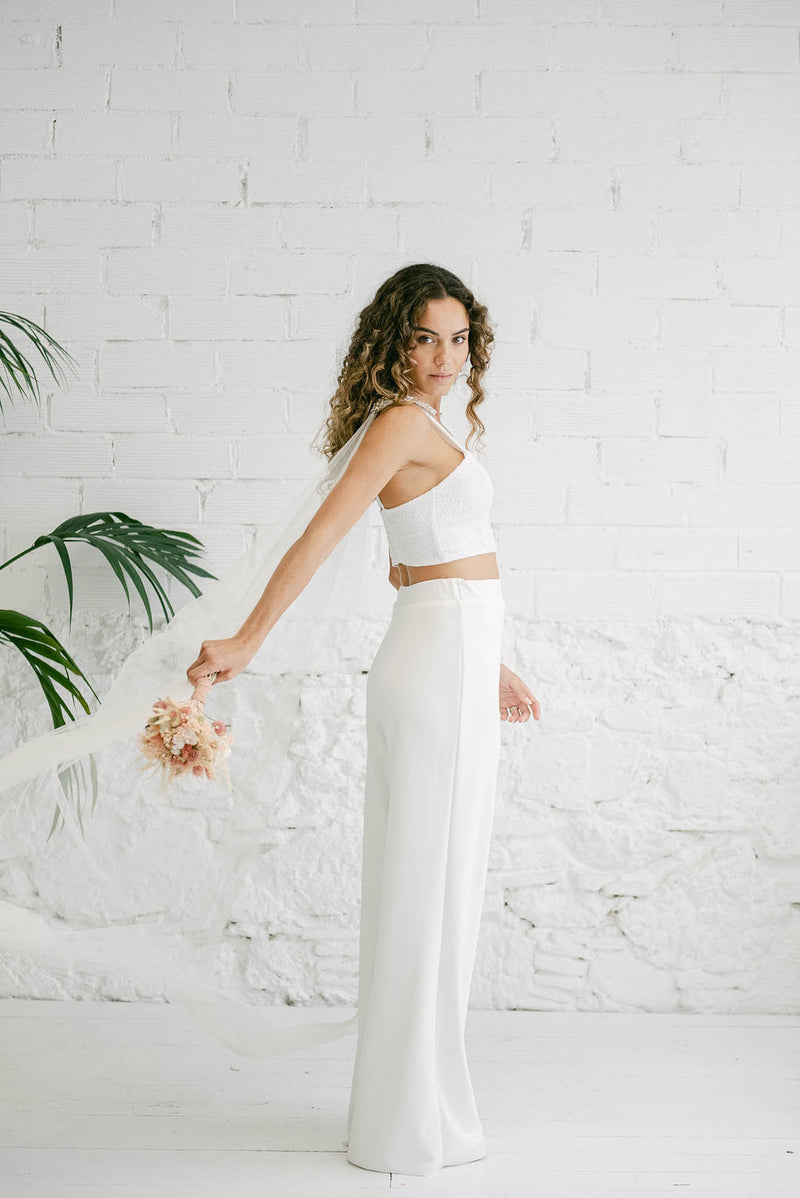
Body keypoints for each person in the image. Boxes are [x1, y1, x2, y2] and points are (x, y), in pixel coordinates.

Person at [184, 263, 541, 1176]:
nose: (445, 357)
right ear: (395, 340)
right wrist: (249, 640)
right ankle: (410, 1125)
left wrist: (488, 657)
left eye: (459, 338)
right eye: (426, 337)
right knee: (428, 889)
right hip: (433, 664)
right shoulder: (397, 426)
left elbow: (427, 560)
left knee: (434, 883)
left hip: (448, 654)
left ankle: (406, 1116)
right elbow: (321, 539)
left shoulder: (420, 428)